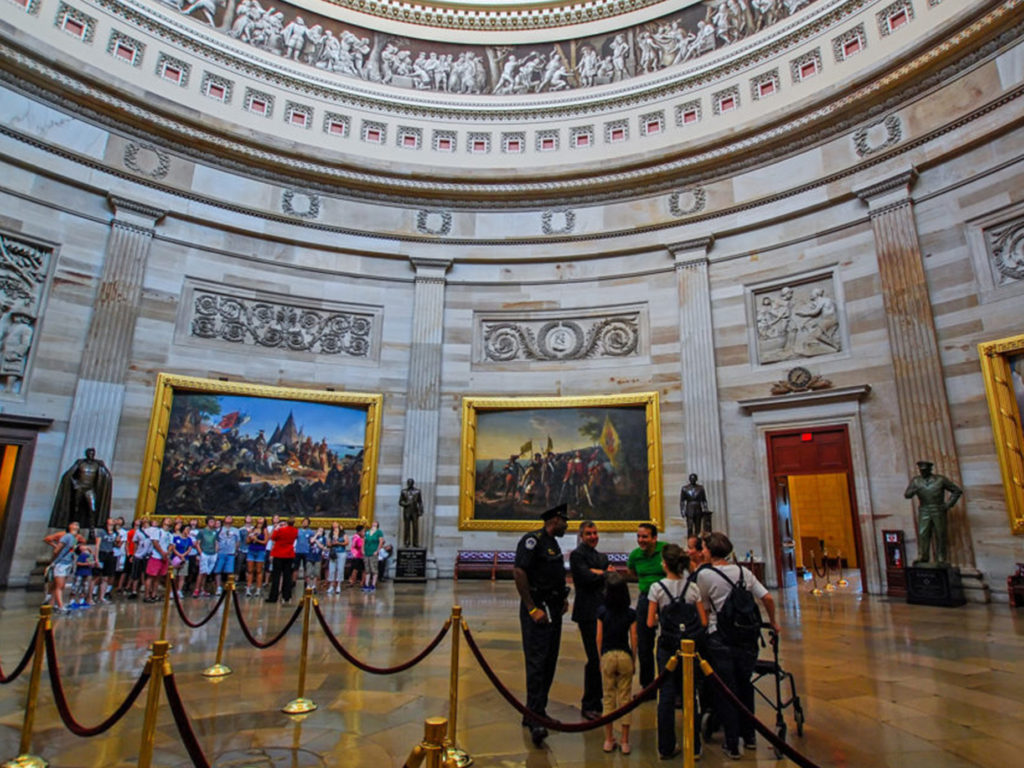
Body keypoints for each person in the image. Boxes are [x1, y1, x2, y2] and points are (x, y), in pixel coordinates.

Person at [697, 532, 779, 760]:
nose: (702, 551)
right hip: (747, 637)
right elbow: (768, 598)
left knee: (726, 688)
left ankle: (732, 743)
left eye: (703, 548)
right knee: (745, 684)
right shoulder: (744, 571)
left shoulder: (705, 575)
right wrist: (773, 623)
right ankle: (750, 736)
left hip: (720, 638)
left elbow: (703, 608)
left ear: (710, 551)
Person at [513, 503, 570, 747]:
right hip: (537, 610)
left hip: (553, 609)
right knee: (537, 661)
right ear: (554, 520)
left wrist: (563, 598)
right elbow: (519, 572)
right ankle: (535, 718)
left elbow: (555, 575)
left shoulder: (553, 543)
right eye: (565, 521)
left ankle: (536, 710)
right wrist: (531, 608)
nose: (567, 525)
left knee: (549, 660)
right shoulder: (532, 540)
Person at [647, 544, 707, 760]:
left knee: (666, 695)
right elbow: (703, 620)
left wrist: (662, 621)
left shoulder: (657, 588)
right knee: (691, 695)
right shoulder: (692, 588)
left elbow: (649, 622)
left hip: (667, 647)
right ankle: (695, 746)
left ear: (665, 563)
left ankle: (666, 747)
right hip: (689, 646)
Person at [569, 519, 610, 720]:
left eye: (595, 533)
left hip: (602, 610)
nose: (593, 537)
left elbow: (610, 577)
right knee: (593, 658)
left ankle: (599, 699)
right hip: (587, 612)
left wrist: (599, 573)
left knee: (601, 656)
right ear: (581, 536)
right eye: (589, 534)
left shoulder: (600, 556)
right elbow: (585, 578)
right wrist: (602, 573)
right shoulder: (577, 555)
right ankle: (589, 702)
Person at [596, 571, 636, 754]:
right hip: (624, 655)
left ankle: (608, 739)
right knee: (625, 699)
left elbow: (598, 638)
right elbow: (634, 638)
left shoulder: (602, 612)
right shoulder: (630, 613)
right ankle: (626, 741)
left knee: (608, 697)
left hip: (608, 655)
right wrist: (633, 659)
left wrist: (600, 658)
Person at [626, 522, 665, 690]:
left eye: (645, 537)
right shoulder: (635, 555)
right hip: (645, 600)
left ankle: (669, 686)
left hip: (666, 601)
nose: (641, 540)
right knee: (644, 644)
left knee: (669, 643)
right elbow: (632, 573)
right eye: (639, 537)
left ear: (654, 537)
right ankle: (647, 686)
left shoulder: (665, 550)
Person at [904, 460, 963, 565]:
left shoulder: (940, 479)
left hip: (938, 509)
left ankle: (941, 557)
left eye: (925, 470)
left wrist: (948, 504)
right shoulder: (916, 481)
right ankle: (923, 555)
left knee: (940, 533)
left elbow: (957, 491)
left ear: (930, 469)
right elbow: (907, 495)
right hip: (924, 509)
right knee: (923, 533)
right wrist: (913, 490)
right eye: (921, 470)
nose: (923, 472)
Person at [49, 447, 113, 533]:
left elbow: (106, 476)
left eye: (92, 454)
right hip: (80, 487)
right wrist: (75, 484)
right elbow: (69, 475)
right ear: (86, 454)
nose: (91, 455)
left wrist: (103, 466)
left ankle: (91, 528)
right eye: (90, 454)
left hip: (89, 489)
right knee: (76, 507)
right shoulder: (80, 463)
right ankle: (74, 525)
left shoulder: (97, 465)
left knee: (92, 509)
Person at [43, 521, 81, 613]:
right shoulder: (67, 536)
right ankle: (60, 606)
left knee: (60, 585)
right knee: (59, 586)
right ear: (69, 526)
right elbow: (57, 550)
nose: (76, 525)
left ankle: (52, 604)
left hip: (67, 562)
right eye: (74, 524)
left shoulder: (74, 538)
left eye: (78, 525)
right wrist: (54, 561)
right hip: (61, 563)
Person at [266, 516, 298, 604]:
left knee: (276, 576)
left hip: (279, 554)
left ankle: (273, 596)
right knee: (287, 576)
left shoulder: (280, 530)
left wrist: (276, 528)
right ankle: (286, 596)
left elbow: (273, 538)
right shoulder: (295, 530)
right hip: (289, 555)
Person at [215, 515, 241, 596]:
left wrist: (236, 550)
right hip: (221, 552)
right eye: (227, 517)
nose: (229, 519)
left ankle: (229, 586)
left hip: (231, 553)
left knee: (230, 571)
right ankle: (218, 588)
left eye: (230, 518)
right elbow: (216, 540)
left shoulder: (236, 530)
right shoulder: (219, 529)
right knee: (218, 571)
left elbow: (238, 541)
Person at [193, 517, 218, 597]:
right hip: (204, 553)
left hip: (212, 553)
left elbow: (216, 543)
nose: (212, 523)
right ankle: (197, 589)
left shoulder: (215, 532)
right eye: (211, 521)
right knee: (201, 572)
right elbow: (197, 543)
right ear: (207, 522)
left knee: (206, 573)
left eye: (213, 522)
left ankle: (202, 589)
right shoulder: (202, 532)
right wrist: (201, 553)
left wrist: (216, 552)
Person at [245, 518, 269, 597]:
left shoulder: (264, 530)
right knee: (250, 570)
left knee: (259, 571)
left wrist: (257, 539)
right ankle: (248, 588)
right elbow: (247, 541)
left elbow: (265, 542)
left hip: (260, 551)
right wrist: (250, 536)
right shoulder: (253, 529)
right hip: (251, 550)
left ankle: (258, 589)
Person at [399, 478, 424, 547]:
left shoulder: (417, 491)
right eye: (408, 483)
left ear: (413, 483)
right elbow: (400, 502)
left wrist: (421, 510)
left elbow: (420, 502)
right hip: (407, 511)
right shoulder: (403, 491)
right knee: (407, 527)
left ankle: (415, 542)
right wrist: (406, 503)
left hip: (415, 511)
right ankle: (407, 542)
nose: (409, 484)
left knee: (415, 527)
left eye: (411, 483)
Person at [362, 520, 384, 592]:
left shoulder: (379, 532)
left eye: (375, 524)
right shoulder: (367, 532)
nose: (373, 524)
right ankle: (366, 584)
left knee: (373, 568)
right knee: (367, 569)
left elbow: (381, 542)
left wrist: (377, 550)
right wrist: (363, 549)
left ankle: (373, 584)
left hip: (373, 552)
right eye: (373, 523)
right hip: (367, 551)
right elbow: (364, 541)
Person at [326, 522, 347, 594]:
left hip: (341, 552)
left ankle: (338, 585)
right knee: (332, 569)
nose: (335, 527)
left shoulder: (343, 534)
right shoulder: (330, 534)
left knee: (340, 569)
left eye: (336, 525)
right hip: (333, 553)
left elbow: (346, 542)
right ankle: (331, 585)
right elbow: (328, 543)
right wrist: (332, 543)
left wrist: (338, 543)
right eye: (333, 526)